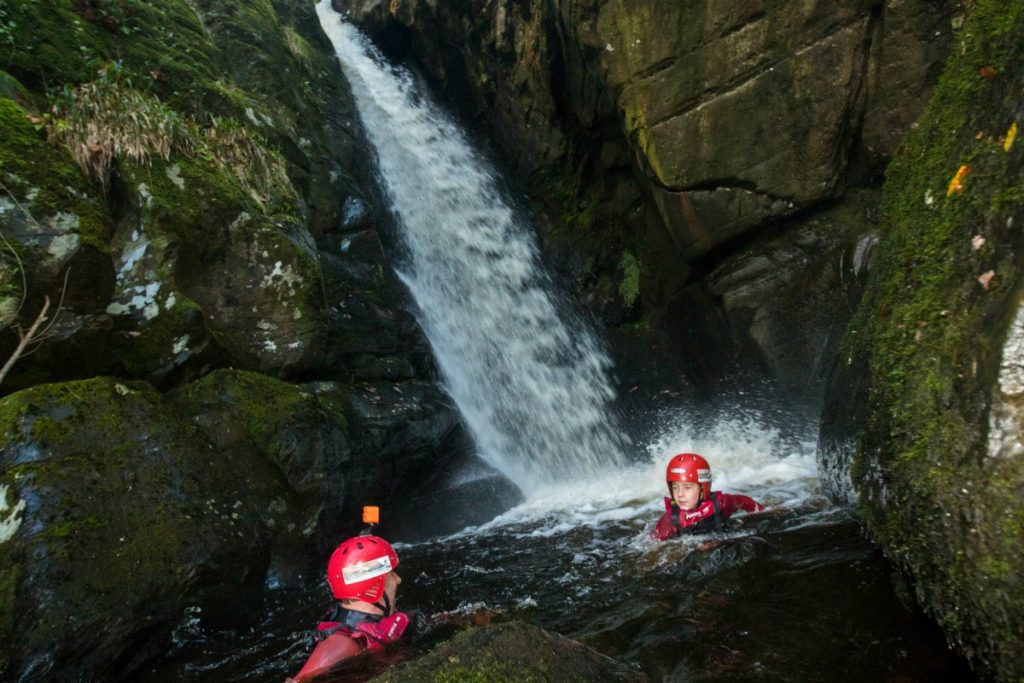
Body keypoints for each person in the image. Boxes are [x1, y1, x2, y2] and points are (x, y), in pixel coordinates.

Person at [286, 534, 409, 683]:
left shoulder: (359, 630)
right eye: (391, 574)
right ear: (374, 585)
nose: (398, 580)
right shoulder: (342, 643)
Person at [652, 452, 765, 541]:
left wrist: (762, 512)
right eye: (675, 487)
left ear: (703, 488)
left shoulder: (721, 504)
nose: (680, 494)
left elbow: (743, 501)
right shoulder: (671, 520)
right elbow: (653, 545)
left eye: (687, 487)